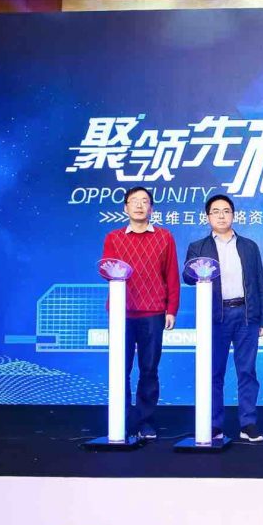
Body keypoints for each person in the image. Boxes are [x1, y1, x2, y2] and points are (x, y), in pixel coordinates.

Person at [184, 194, 263, 443]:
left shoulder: (249, 246)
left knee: (247, 371)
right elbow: (187, 277)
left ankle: (248, 423)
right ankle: (214, 424)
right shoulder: (198, 247)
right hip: (215, 316)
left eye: (226, 211)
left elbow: (259, 282)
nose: (221, 216)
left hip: (246, 315)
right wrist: (197, 270)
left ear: (233, 215)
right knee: (214, 372)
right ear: (207, 217)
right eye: (215, 211)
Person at [100, 186, 179, 440]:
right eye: (133, 201)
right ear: (125, 208)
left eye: (144, 201)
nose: (139, 205)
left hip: (153, 313)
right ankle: (122, 421)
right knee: (120, 369)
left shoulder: (165, 237)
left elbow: (171, 275)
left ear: (151, 208)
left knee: (149, 369)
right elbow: (107, 271)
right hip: (121, 313)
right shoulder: (113, 238)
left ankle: (145, 421)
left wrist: (171, 309)